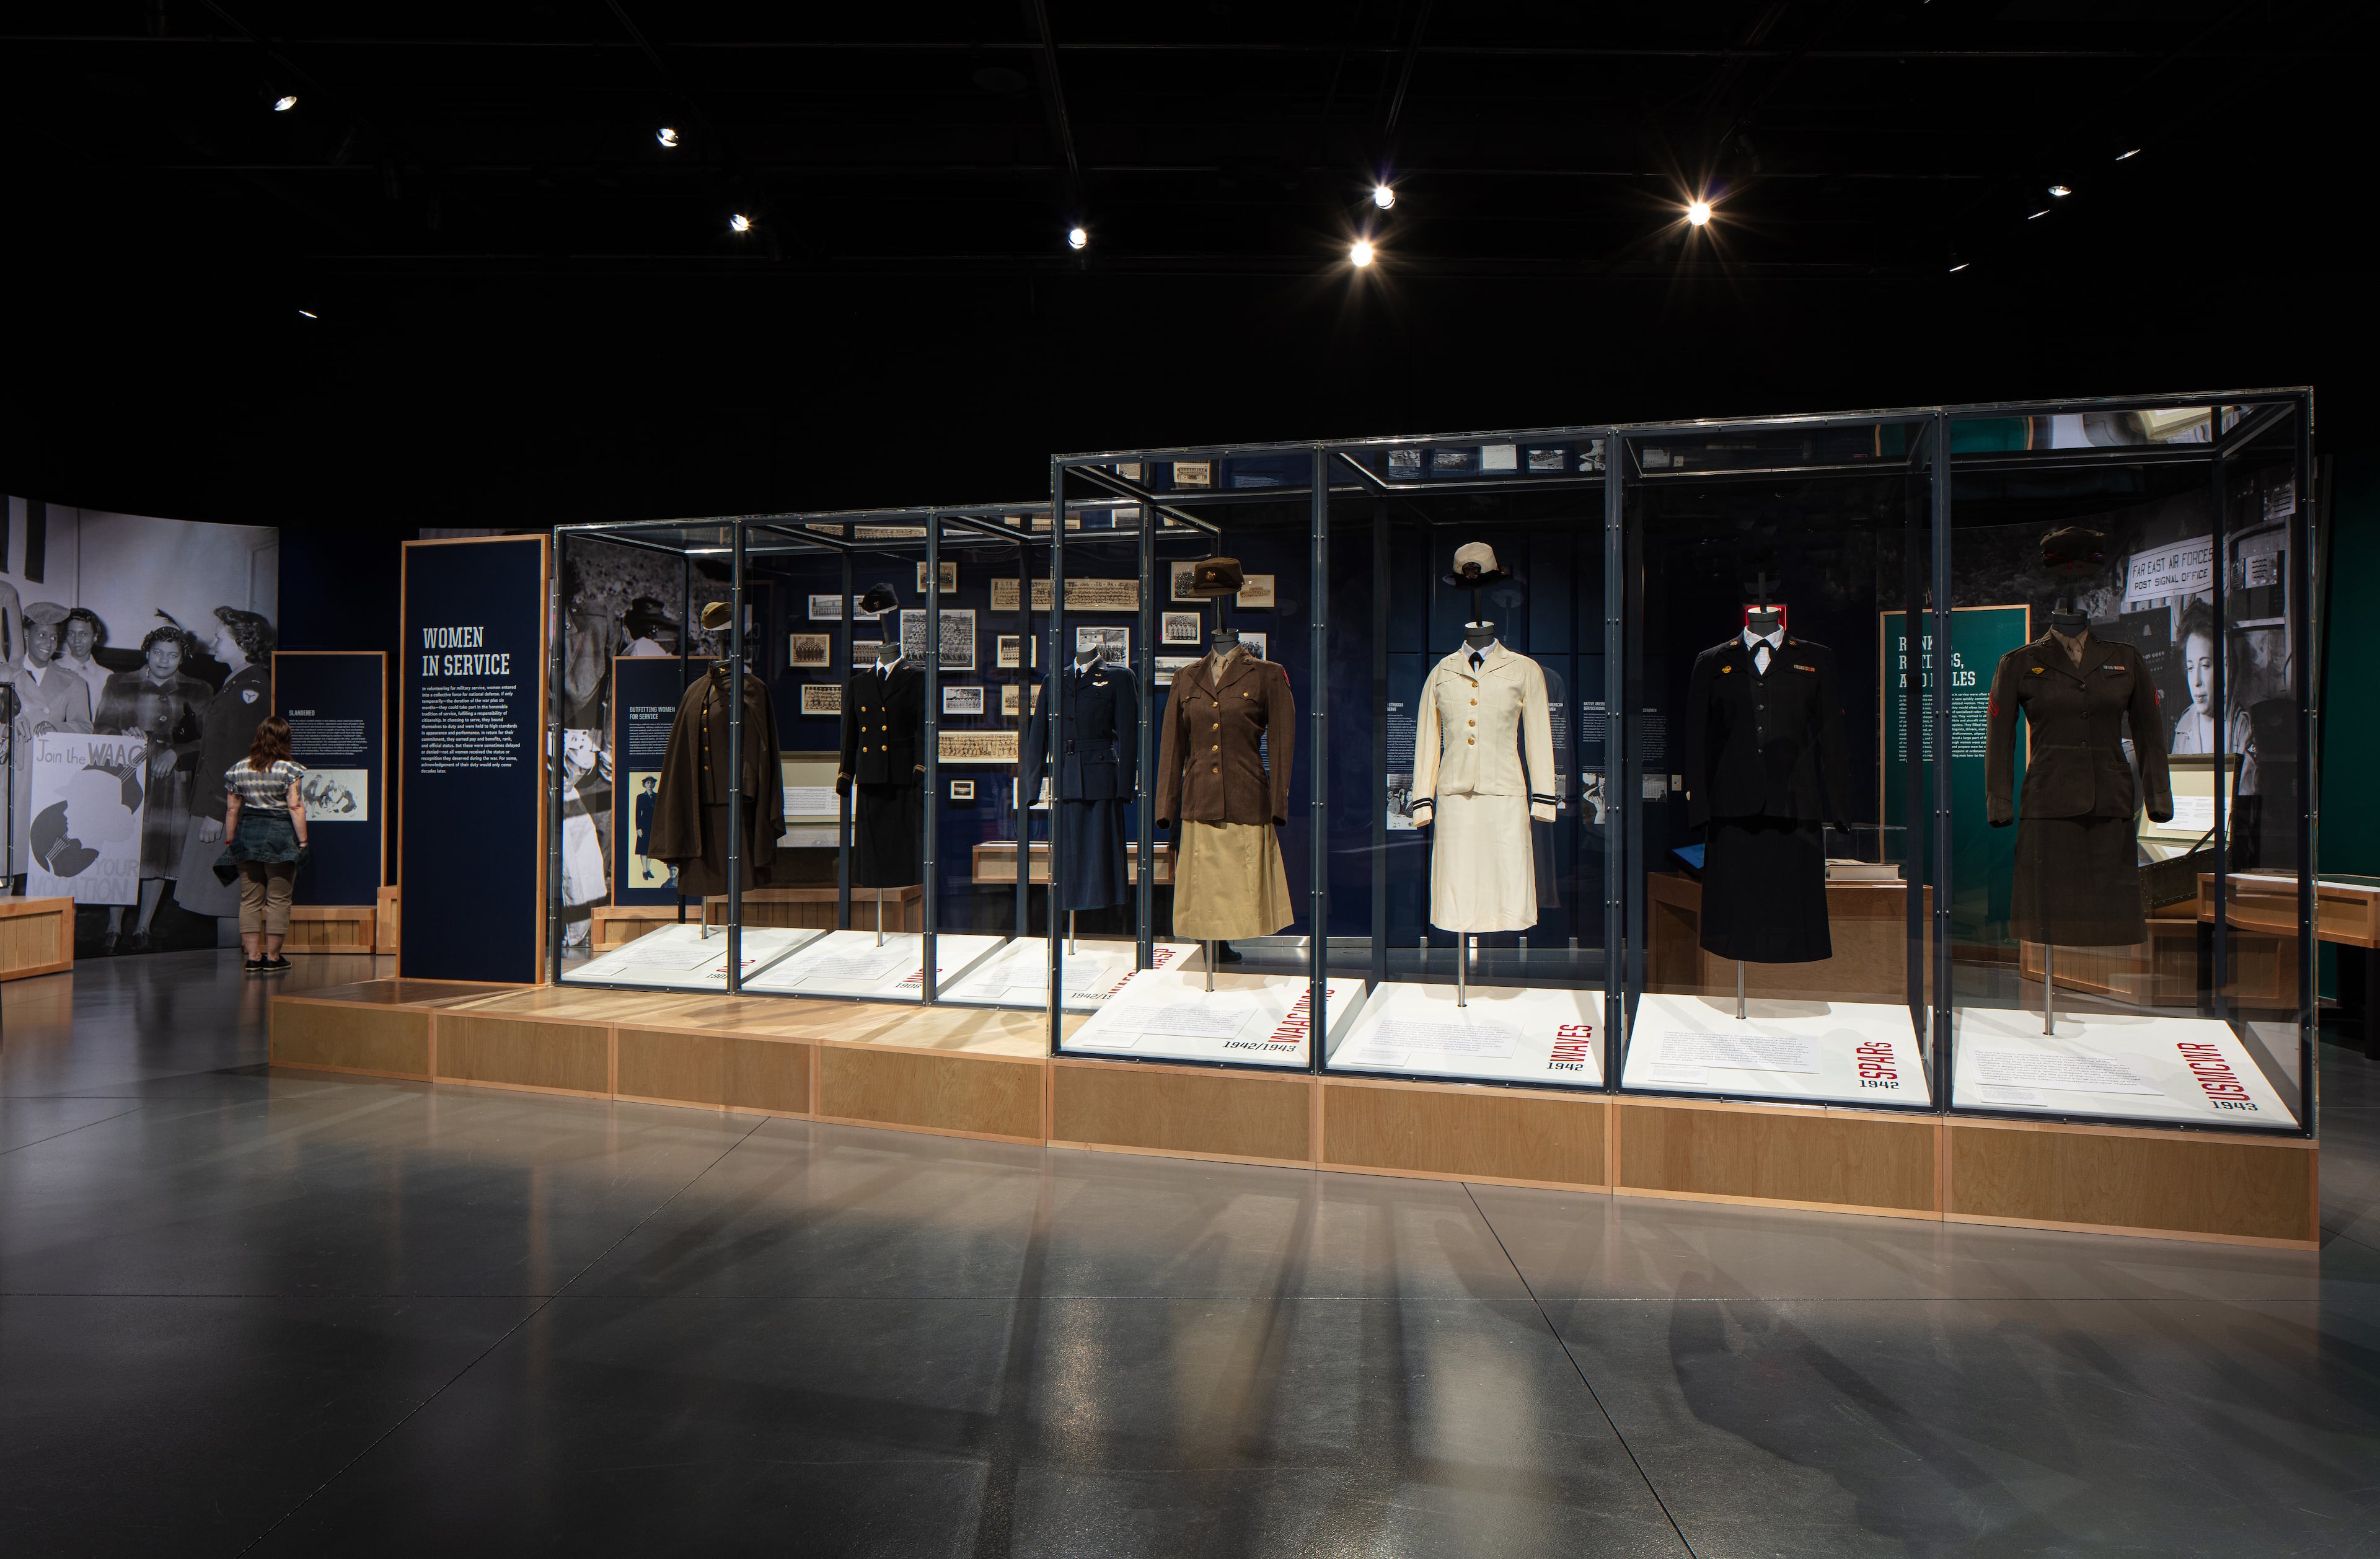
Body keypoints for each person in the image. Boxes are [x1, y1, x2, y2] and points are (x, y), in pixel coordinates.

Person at [94, 625, 211, 953]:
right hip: (126, 779)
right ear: (147, 652)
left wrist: (177, 752)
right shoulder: (119, 683)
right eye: (158, 652)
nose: (164, 660)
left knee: (159, 853)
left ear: (183, 657)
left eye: (173, 655)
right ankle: (113, 926)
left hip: (172, 783)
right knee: (123, 851)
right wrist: (121, 737)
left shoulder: (199, 690)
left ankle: (143, 927)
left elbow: (208, 740)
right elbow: (100, 728)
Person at [180, 607, 277, 921]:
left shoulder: (251, 689)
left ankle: (236, 968)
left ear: (242, 644)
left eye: (220, 637)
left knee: (227, 902)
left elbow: (243, 758)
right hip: (218, 804)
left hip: (226, 809)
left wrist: (219, 811)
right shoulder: (236, 682)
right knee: (219, 898)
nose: (213, 642)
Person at [5, 606, 96, 879]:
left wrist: (56, 728)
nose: (48, 643)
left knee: (41, 865)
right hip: (8, 778)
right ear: (25, 634)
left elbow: (85, 727)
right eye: (41, 635)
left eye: (54, 637)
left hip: (48, 781)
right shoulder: (5, 675)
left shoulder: (74, 682)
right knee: (5, 859)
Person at [217, 714, 308, 974]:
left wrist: (232, 840)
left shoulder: (239, 769)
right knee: (279, 899)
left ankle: (254, 958)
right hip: (279, 836)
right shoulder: (290, 770)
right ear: (285, 740)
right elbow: (295, 806)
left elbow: (232, 810)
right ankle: (274, 957)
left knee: (249, 900)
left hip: (247, 835)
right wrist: (302, 841)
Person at [2170, 598, 2257, 793]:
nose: (2196, 681)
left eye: (2205, 665)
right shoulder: (2184, 725)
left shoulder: (2242, 728)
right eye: (2191, 667)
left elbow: (2243, 803)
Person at [55, 607, 110, 715]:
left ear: (95, 637)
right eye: (71, 634)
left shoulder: (106, 677)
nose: (76, 640)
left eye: (83, 634)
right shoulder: (55, 668)